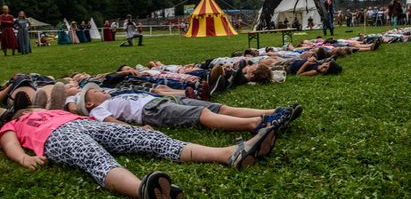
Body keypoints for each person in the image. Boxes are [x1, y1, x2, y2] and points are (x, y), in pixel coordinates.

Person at [0, 107, 277, 198]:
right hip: (57, 138)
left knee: (149, 138)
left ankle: (228, 153)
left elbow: (93, 117)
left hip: (84, 124)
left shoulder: (52, 110)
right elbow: (10, 143)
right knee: (94, 158)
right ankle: (142, 189)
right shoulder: (14, 123)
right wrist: (25, 158)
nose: (30, 111)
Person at [74, 83, 301, 134]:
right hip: (152, 112)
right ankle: (256, 124)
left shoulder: (114, 96)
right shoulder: (97, 111)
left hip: (163, 102)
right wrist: (138, 130)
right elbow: (111, 124)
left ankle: (271, 112)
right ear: (89, 103)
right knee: (202, 115)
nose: (98, 90)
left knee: (219, 107)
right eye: (93, 92)